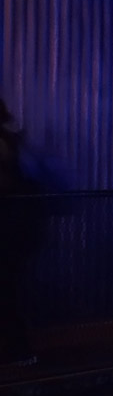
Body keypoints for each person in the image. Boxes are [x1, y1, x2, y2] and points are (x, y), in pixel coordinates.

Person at [0, 99, 43, 366]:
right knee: (7, 291)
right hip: (18, 231)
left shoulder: (4, 143)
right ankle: (20, 350)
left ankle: (20, 351)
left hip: (8, 232)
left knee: (5, 292)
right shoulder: (13, 139)